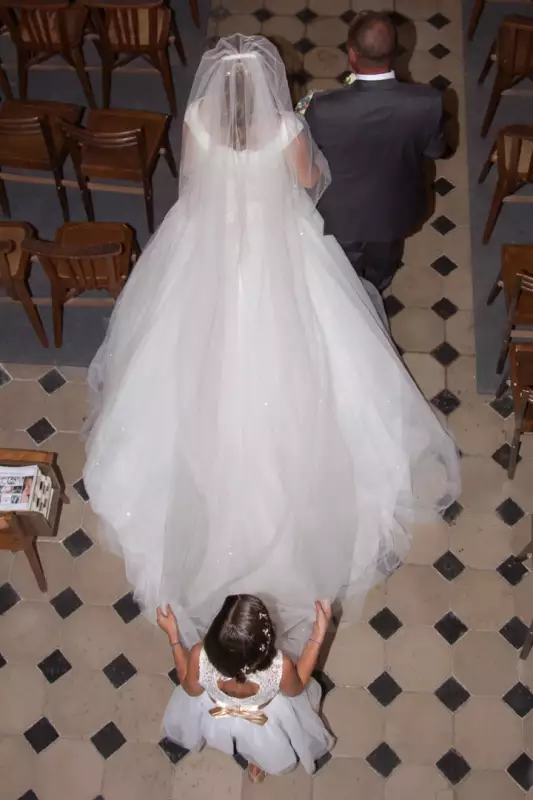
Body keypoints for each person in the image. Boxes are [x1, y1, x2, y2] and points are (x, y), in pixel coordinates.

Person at [83, 35, 460, 657]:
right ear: (267, 86)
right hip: (273, 254)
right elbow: (308, 180)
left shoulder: (198, 121)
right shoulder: (286, 127)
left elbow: (194, 183)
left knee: (187, 358)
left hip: (210, 249)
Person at [306, 11, 447, 292]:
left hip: (342, 213)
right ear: (395, 52)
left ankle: (351, 299)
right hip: (396, 207)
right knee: (385, 258)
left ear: (352, 54)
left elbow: (310, 156)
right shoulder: (428, 102)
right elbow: (436, 150)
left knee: (342, 268)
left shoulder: (323, 107)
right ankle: (378, 287)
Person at [157, 595, 334, 782]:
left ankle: (239, 747)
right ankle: (258, 761)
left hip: (216, 714)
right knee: (262, 744)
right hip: (263, 721)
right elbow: (296, 689)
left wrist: (173, 636)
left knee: (229, 732)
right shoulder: (280, 667)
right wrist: (317, 636)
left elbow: (191, 690)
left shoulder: (198, 655)